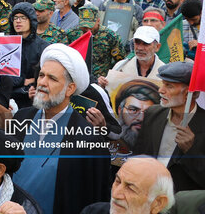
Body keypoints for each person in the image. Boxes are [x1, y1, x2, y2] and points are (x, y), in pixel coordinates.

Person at [12, 44, 110, 214]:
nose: (42, 82)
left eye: (52, 78)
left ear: (70, 89)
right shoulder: (21, 118)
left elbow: (94, 198)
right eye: (41, 75)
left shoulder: (89, 140)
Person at [133, 62, 205, 192]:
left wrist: (190, 151)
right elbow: (139, 156)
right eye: (163, 84)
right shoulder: (153, 113)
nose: (161, 90)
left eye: (169, 86)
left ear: (190, 94)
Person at [80, 156, 175, 214]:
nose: (115, 194)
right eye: (118, 181)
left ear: (157, 203)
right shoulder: (93, 211)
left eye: (130, 188)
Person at [9, 2, 50, 104]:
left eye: (23, 18)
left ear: (31, 21)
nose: (18, 21)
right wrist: (23, 81)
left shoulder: (43, 47)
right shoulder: (7, 45)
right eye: (15, 18)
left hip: (31, 99)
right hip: (8, 96)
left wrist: (32, 81)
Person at [65, 6, 123, 78]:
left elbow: (120, 62)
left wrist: (109, 77)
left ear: (98, 21)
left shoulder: (111, 36)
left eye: (90, 25)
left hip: (100, 80)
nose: (87, 29)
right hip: (77, 77)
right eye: (84, 26)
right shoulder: (72, 34)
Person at [100, 26, 165, 85]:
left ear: (157, 47)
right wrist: (102, 85)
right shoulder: (121, 67)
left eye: (146, 44)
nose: (140, 48)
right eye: (137, 43)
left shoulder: (164, 73)